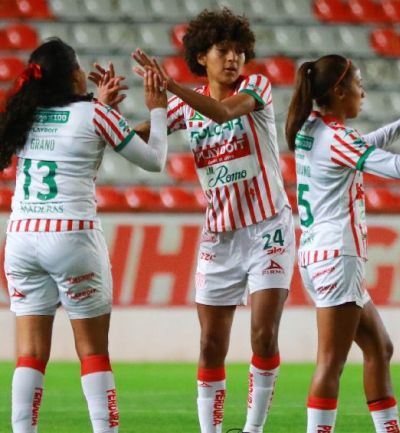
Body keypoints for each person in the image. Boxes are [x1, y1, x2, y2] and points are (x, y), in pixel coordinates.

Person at [284, 53, 400, 433]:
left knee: (379, 348)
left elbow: (360, 144)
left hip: (318, 255)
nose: (363, 93)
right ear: (339, 91)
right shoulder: (336, 137)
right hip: (338, 257)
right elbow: (398, 168)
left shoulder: (312, 128)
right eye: (358, 85)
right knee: (331, 362)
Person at [125, 8, 294, 433]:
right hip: (220, 237)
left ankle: (253, 430)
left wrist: (172, 87)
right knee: (210, 344)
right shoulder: (187, 107)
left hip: (268, 228)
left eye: (239, 50)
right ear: (202, 56)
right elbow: (143, 132)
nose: (234, 58)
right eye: (223, 50)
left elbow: (222, 112)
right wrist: (104, 120)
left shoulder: (256, 88)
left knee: (262, 336)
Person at [1, 38, 168, 433]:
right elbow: (155, 160)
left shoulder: (27, 115)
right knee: (92, 352)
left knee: (29, 354)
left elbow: (69, 139)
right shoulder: (95, 114)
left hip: (22, 238)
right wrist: (158, 112)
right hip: (71, 236)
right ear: (74, 73)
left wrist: (101, 105)